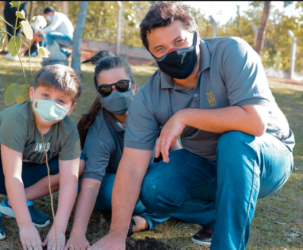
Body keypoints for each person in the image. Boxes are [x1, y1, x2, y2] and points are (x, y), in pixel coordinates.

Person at [89, 2, 295, 250]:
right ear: (153, 56)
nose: (172, 52)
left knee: (234, 140)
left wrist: (185, 116)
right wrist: (116, 234)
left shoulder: (233, 51)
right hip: (208, 164)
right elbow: (132, 166)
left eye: (179, 42)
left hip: (266, 157)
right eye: (160, 49)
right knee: (153, 186)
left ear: (196, 35)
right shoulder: (148, 97)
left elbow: (255, 121)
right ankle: (219, 214)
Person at [0, 64, 82, 250]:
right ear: (32, 94)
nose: (51, 104)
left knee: (79, 165)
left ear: (71, 108)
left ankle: (15, 202)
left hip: (28, 175)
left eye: (61, 101)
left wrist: (59, 228)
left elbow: (68, 181)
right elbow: (13, 175)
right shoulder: (17, 118)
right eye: (46, 95)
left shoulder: (68, 130)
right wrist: (25, 226)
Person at [64, 57, 174, 250]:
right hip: (115, 186)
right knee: (108, 192)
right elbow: (90, 185)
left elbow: (178, 159)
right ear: (100, 94)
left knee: (170, 185)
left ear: (134, 86)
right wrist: (77, 235)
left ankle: (143, 220)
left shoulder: (154, 110)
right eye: (106, 89)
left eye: (122, 85)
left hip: (149, 179)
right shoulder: (99, 131)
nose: (115, 93)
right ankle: (156, 212)